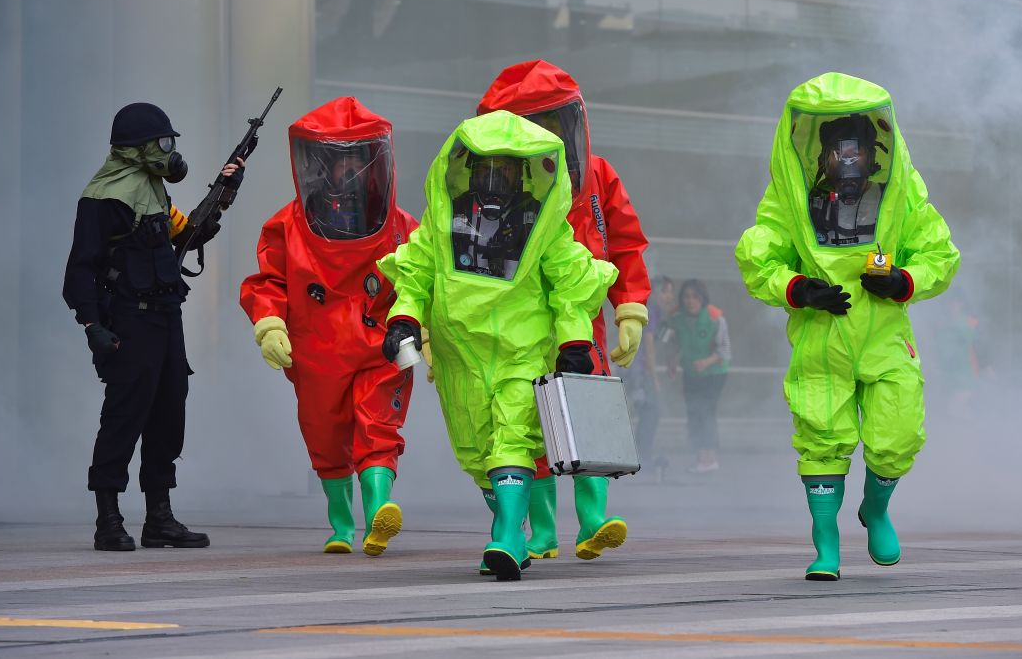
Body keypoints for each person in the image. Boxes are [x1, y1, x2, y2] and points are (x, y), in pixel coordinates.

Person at [735, 72, 960, 580]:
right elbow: (758, 257)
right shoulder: (793, 201)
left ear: (877, 147)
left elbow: (940, 254)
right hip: (822, 338)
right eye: (840, 149)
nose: (849, 159)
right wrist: (798, 289)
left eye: (858, 147)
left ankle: (876, 509)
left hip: (884, 339)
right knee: (821, 437)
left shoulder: (901, 195)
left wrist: (904, 280)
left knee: (897, 434)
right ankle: (826, 542)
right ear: (821, 152)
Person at [377, 110, 617, 581]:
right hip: (457, 355)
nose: (495, 174)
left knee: (513, 437)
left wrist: (575, 341)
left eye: (505, 165)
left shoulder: (540, 221)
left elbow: (571, 280)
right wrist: (403, 320)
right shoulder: (446, 217)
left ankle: (507, 534)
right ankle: (511, 529)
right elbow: (417, 272)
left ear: (522, 170)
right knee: (475, 451)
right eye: (487, 164)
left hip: (521, 351)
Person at [477, 60, 651, 562]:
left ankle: (592, 520)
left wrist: (630, 308)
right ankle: (544, 530)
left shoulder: (597, 175)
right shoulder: (492, 189)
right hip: (519, 322)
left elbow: (625, 243)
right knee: (527, 417)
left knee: (588, 406)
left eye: (556, 126)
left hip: (583, 316)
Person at [240, 97, 417, 556]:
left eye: (359, 159)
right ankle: (341, 524)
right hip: (317, 352)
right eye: (340, 161)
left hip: (381, 345)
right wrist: (270, 322)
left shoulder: (400, 227)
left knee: (378, 426)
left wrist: (425, 329)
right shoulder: (287, 226)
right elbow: (269, 280)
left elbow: (423, 281)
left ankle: (379, 510)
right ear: (318, 164)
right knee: (324, 433)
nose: (351, 171)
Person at [64, 102, 244, 551]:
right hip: (129, 318)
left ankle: (159, 517)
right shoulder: (104, 197)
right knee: (124, 414)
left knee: (169, 411)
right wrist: (92, 325)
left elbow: (187, 238)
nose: (170, 151)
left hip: (166, 316)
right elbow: (78, 271)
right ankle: (108, 519)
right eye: (163, 143)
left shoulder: (155, 190)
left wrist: (225, 190)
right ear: (138, 148)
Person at [666, 279, 731, 473]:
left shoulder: (715, 317)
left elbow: (725, 351)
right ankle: (700, 457)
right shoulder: (677, 317)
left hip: (714, 373)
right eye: (686, 296)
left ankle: (710, 458)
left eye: (695, 296)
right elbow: (671, 340)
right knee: (693, 412)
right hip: (690, 372)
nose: (690, 301)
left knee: (706, 412)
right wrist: (672, 360)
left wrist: (707, 361)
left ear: (703, 299)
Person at [628, 275, 674, 481]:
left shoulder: (653, 310)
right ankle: (642, 457)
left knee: (648, 413)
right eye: (664, 290)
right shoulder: (651, 309)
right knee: (651, 412)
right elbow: (649, 346)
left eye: (670, 291)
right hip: (641, 371)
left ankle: (641, 456)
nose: (668, 295)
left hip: (637, 370)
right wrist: (654, 377)